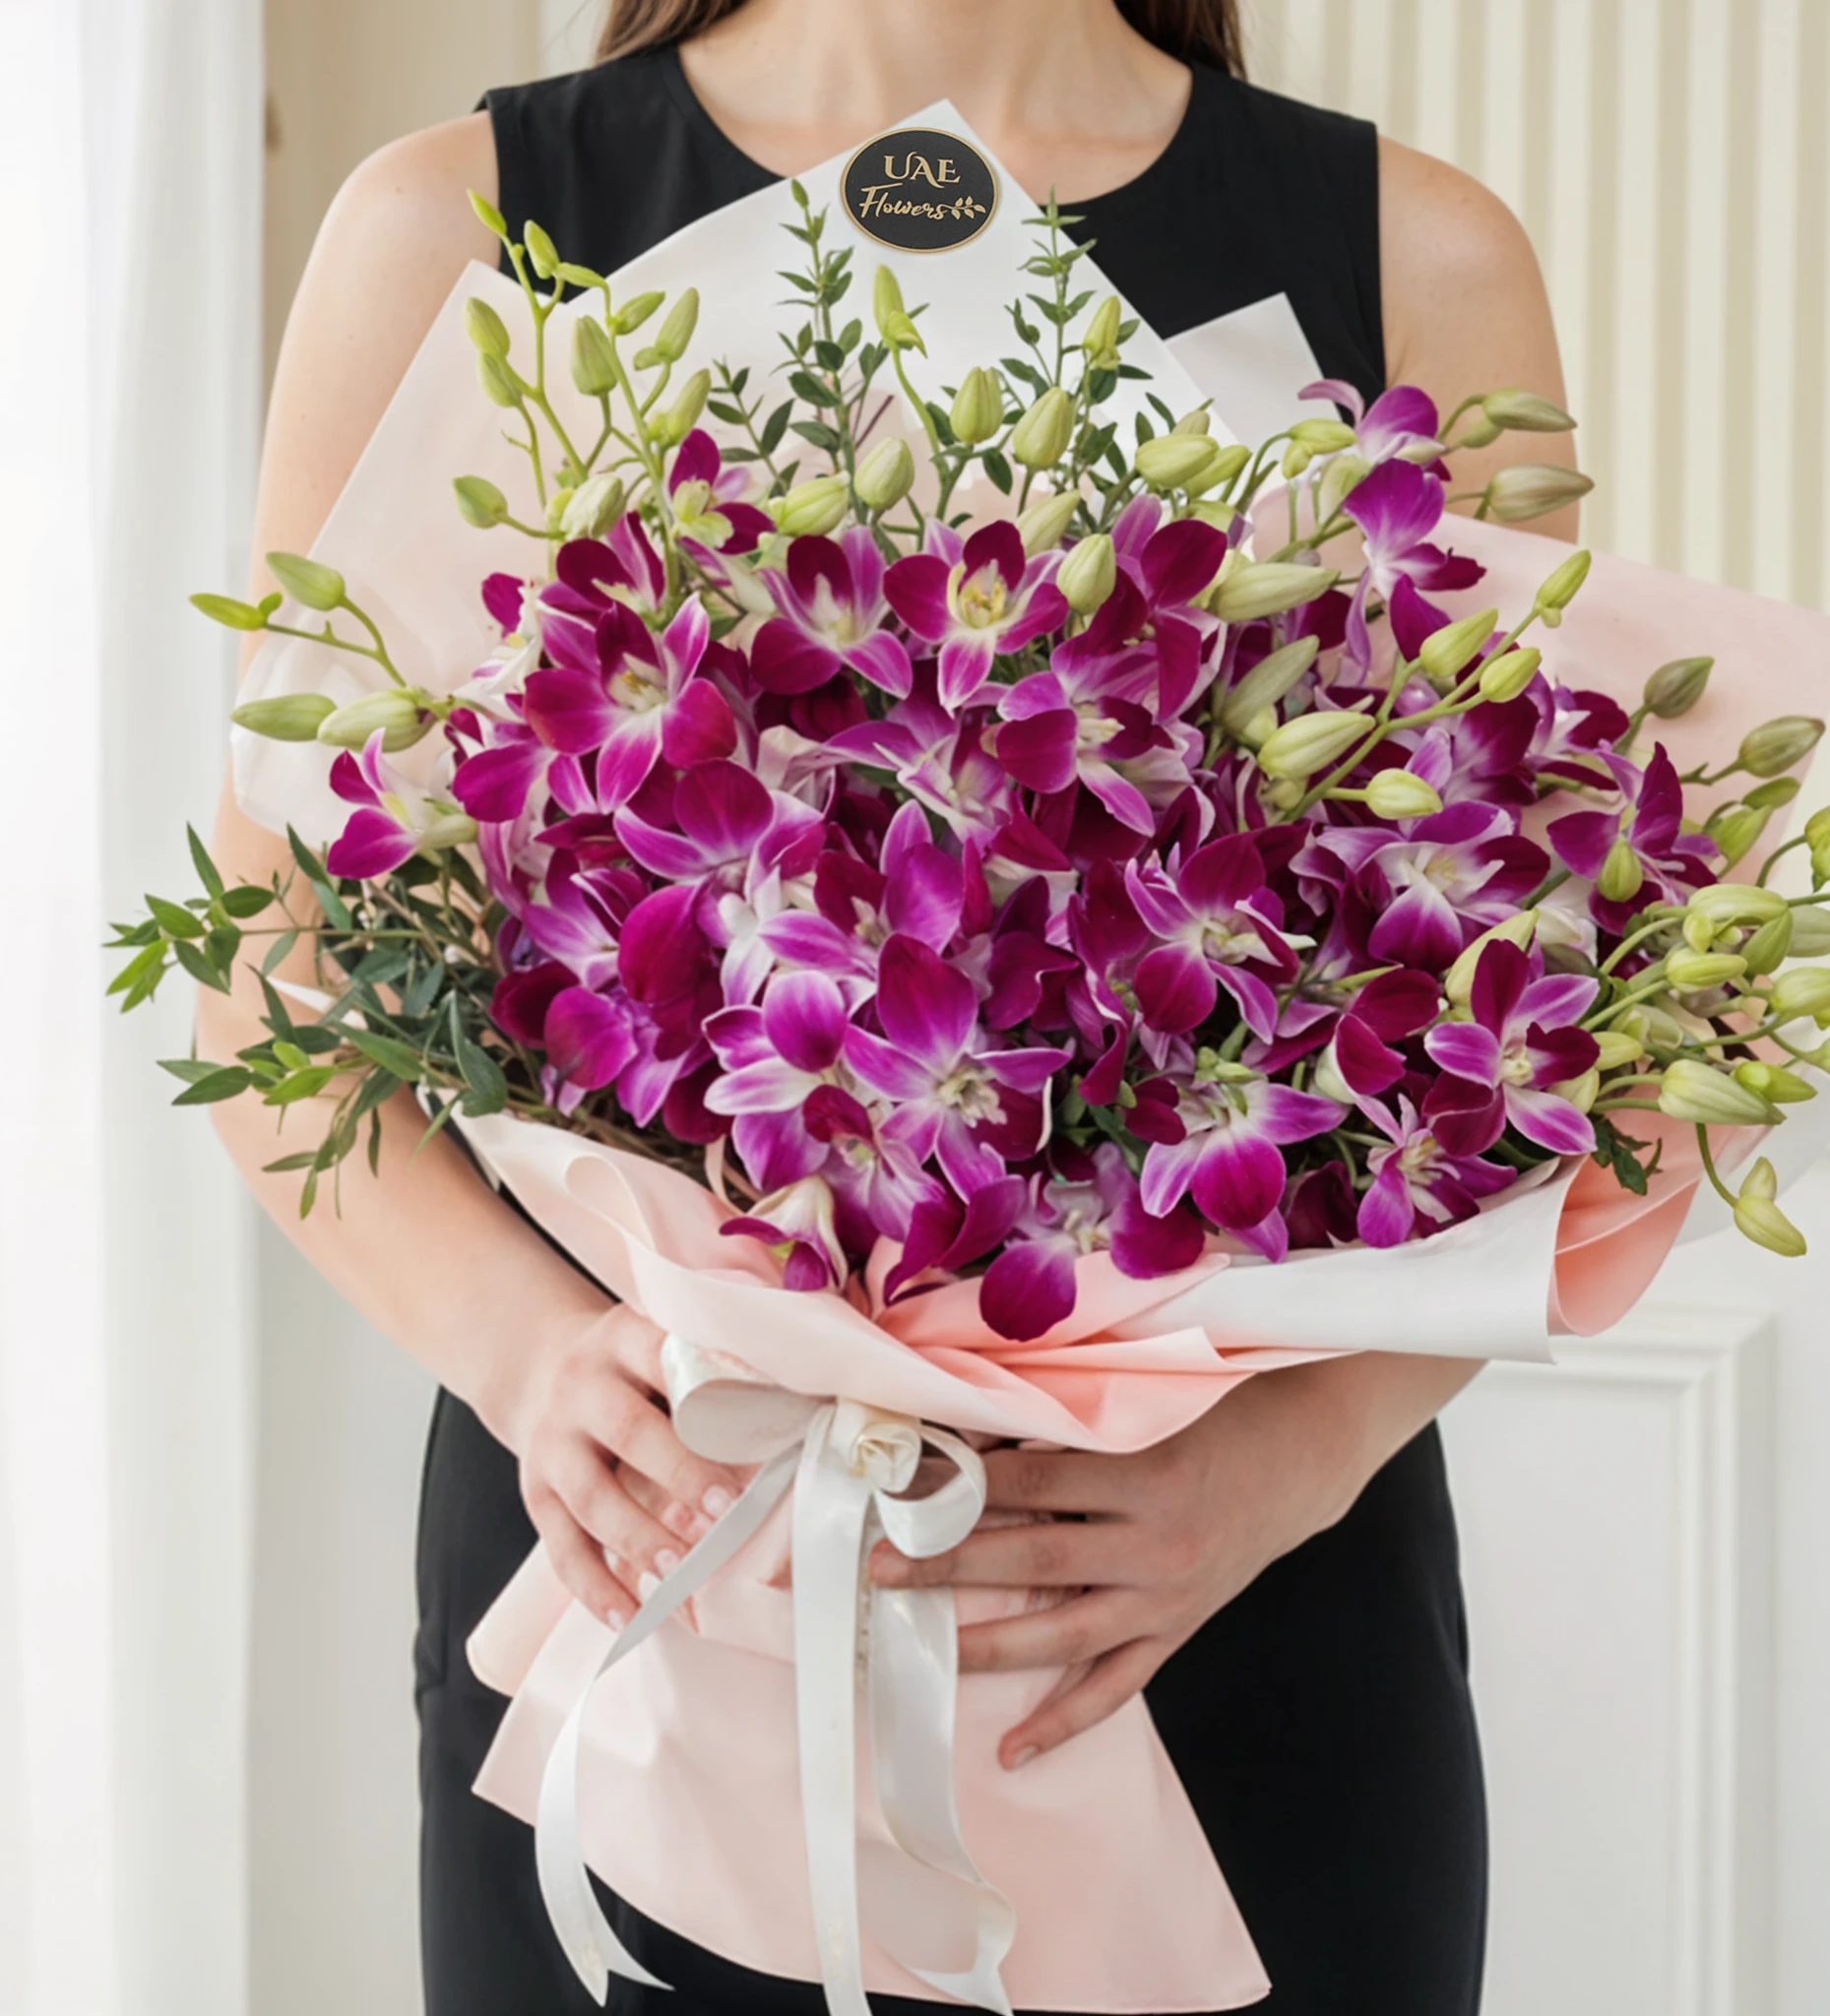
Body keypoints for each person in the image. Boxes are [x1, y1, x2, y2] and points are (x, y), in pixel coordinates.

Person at [206, 2, 1578, 2009]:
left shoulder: (1419, 257)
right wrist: (526, 1355)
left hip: (1201, 1603)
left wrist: (1274, 1475)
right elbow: (275, 954)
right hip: (651, 1560)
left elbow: (1540, 1005)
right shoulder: (454, 225)